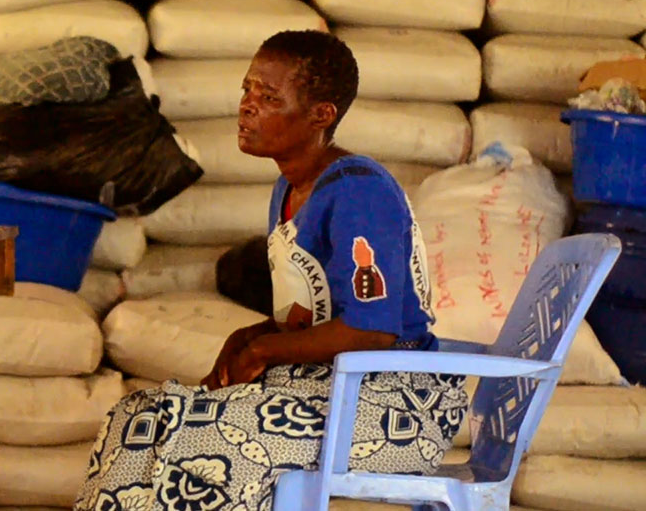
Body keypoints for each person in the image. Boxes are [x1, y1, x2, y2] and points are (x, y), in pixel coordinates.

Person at [75, 30, 467, 511]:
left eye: (268, 97)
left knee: (202, 443)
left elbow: (373, 331)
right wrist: (248, 337)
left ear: (320, 115)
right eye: (246, 91)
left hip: (392, 405)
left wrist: (266, 348)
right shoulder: (289, 189)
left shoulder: (360, 193)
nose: (247, 106)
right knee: (137, 417)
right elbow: (312, 317)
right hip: (328, 389)